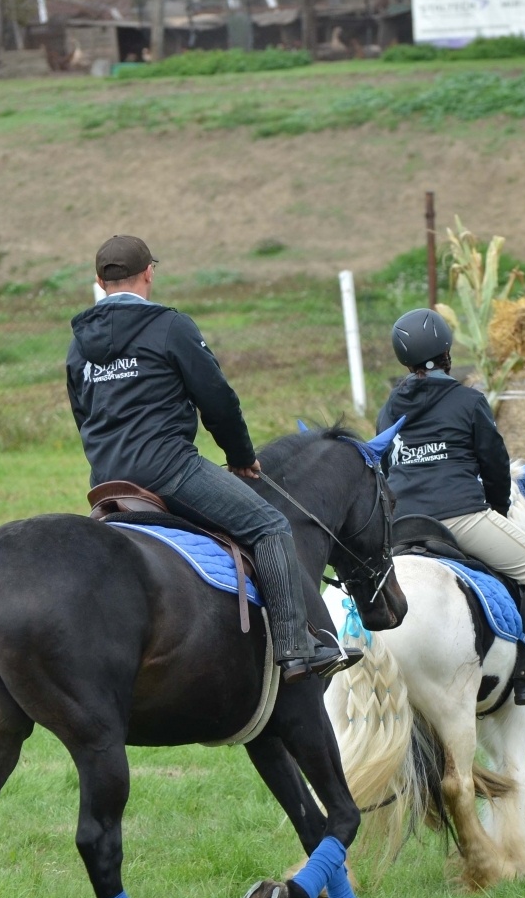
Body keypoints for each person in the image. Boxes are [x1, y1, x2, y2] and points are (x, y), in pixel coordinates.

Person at [66, 234, 357, 683]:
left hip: (106, 481)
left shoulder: (77, 344)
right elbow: (218, 400)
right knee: (269, 525)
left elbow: (83, 414)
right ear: (149, 273)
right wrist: (241, 457)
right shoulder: (170, 327)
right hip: (169, 472)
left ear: (100, 281)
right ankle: (297, 647)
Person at [375, 308, 525, 705]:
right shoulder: (468, 401)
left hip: (401, 522)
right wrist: (498, 510)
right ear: (448, 350)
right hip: (460, 517)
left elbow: (384, 466)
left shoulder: (390, 406)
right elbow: (494, 466)